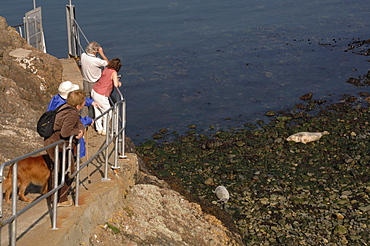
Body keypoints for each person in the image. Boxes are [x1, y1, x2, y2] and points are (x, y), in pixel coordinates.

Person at [44, 90, 85, 207]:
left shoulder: (65, 107)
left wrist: (79, 126)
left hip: (51, 141)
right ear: (80, 103)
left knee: (56, 170)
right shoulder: (72, 114)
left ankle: (53, 195)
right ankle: (61, 199)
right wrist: (78, 131)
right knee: (69, 171)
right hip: (58, 145)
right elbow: (66, 132)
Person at [47, 81, 100, 158]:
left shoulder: (56, 99)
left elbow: (76, 100)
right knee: (68, 158)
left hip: (52, 135)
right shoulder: (68, 110)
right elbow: (75, 122)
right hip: (62, 138)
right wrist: (88, 120)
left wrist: (90, 102)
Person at [91, 58, 122, 135]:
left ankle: (99, 128)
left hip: (94, 90)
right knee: (108, 112)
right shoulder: (114, 72)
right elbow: (115, 84)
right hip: (101, 94)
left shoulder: (106, 68)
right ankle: (105, 130)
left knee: (97, 110)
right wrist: (118, 83)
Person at [80, 41, 109, 118]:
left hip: (85, 81)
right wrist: (101, 53)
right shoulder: (97, 61)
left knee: (85, 100)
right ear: (96, 50)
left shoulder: (83, 56)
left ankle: (83, 117)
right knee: (96, 102)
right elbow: (107, 63)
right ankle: (95, 118)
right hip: (95, 84)